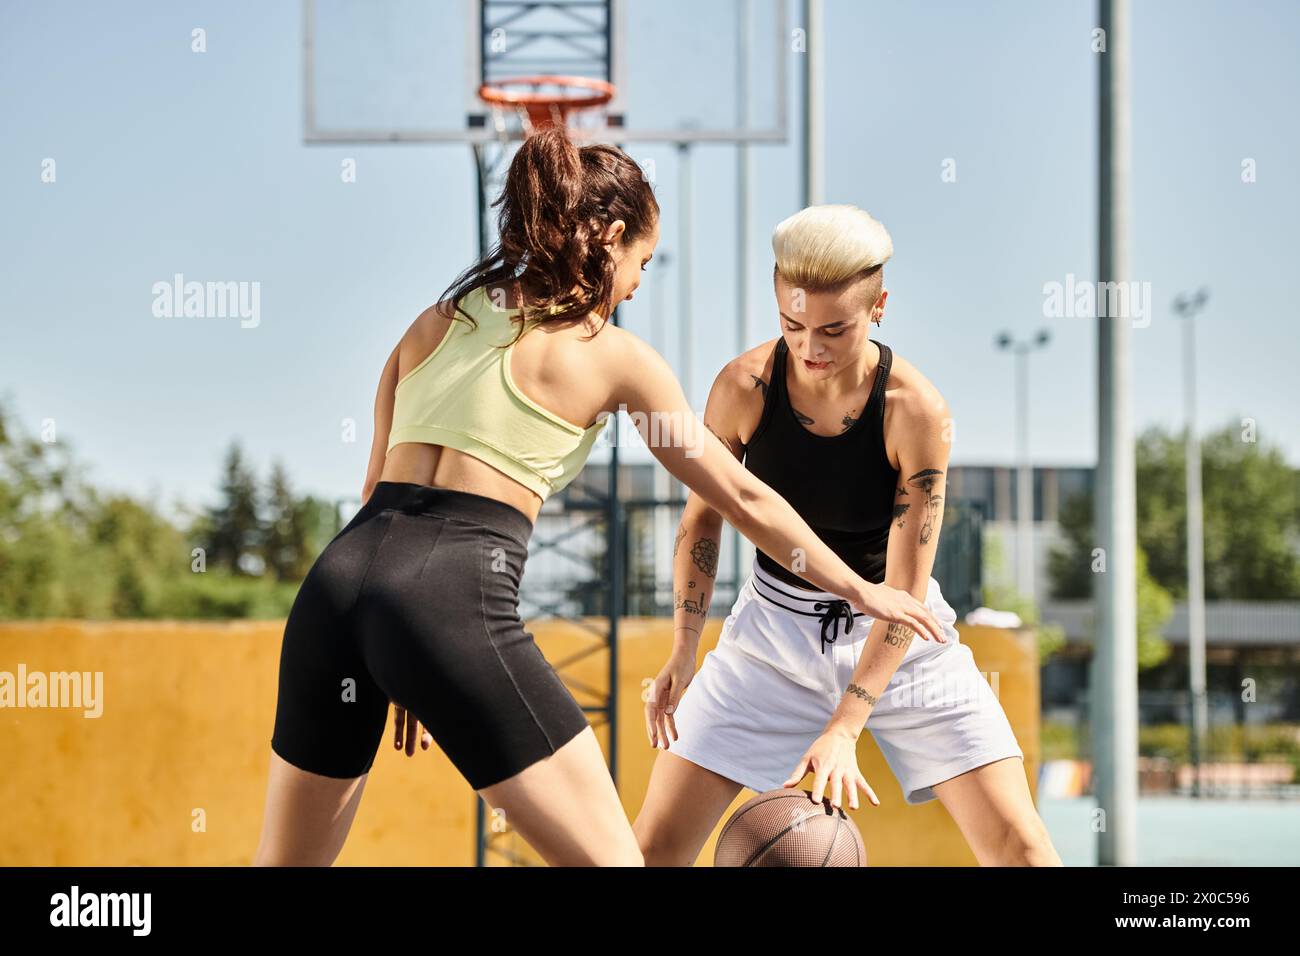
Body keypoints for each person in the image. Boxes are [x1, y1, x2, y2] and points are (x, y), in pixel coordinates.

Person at [253, 134, 945, 867]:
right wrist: (859, 589)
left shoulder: (435, 322)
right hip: (447, 597)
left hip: (336, 588)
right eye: (643, 261)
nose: (640, 282)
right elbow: (740, 494)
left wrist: (395, 658)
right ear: (613, 239)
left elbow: (372, 494)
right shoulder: (612, 355)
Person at [633, 205, 1063, 866]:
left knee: (1024, 848)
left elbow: (904, 592)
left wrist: (846, 725)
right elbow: (702, 520)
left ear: (879, 306)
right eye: (792, 324)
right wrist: (685, 648)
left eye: (834, 329)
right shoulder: (744, 386)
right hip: (769, 641)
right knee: (653, 851)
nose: (811, 348)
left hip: (902, 640)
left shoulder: (915, 411)